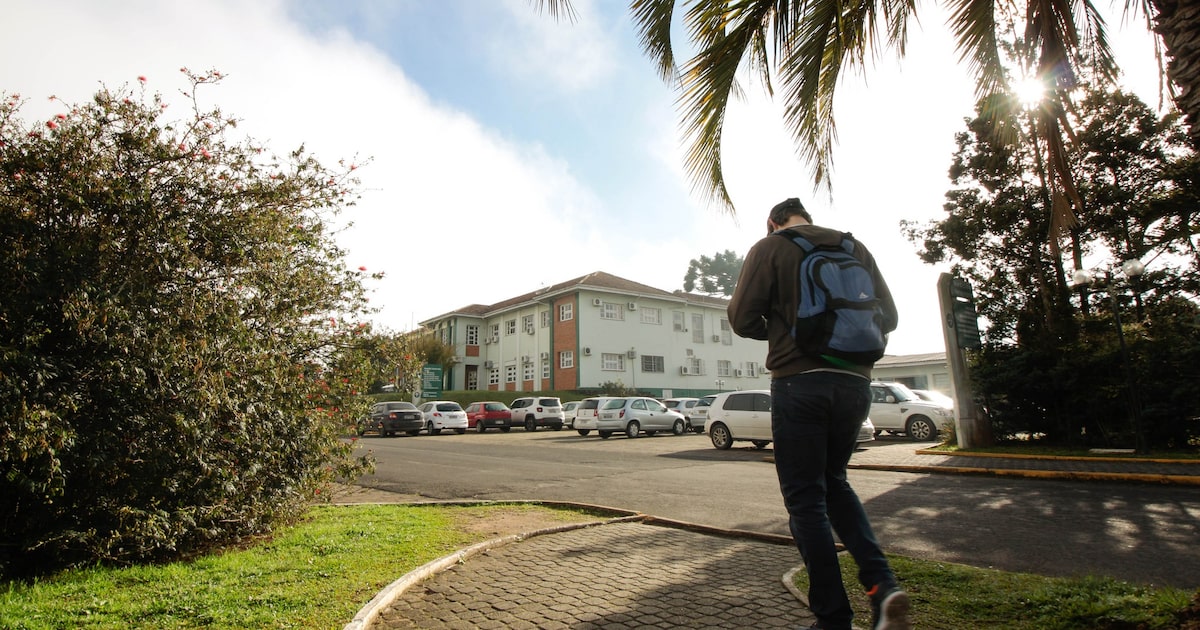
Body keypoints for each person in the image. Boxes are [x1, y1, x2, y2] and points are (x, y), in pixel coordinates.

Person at [727, 197, 909, 630]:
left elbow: (740, 317)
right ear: (807, 217)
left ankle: (832, 618)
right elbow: (892, 317)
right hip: (856, 384)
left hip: (800, 382)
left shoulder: (770, 246)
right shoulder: (854, 247)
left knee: (805, 499)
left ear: (772, 222)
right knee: (835, 483)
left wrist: (781, 325)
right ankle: (882, 586)